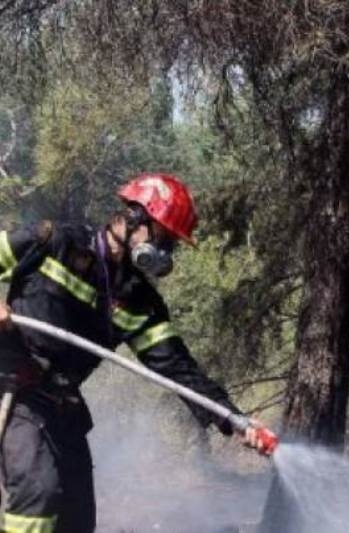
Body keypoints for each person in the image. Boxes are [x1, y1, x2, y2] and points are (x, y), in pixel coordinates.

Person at [0, 173, 270, 533]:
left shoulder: (137, 299)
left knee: (76, 518)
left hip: (62, 404)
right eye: (164, 239)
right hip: (16, 388)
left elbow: (179, 369)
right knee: (38, 494)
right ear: (136, 219)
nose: (166, 253)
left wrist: (235, 420)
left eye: (171, 245)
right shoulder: (54, 241)